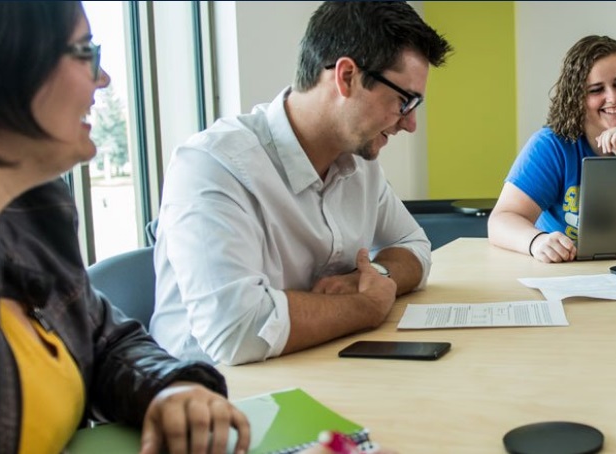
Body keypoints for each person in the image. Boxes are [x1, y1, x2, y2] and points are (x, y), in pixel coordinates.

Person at [0, 2, 250, 453]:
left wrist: (169, 389)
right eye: (83, 52)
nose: (104, 78)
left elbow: (102, 338)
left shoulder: (32, 208)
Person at [152, 1, 451, 366]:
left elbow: (413, 245)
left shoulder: (360, 162)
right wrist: (366, 305)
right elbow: (236, 331)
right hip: (208, 394)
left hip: (314, 364)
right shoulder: (213, 166)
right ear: (346, 76)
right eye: (405, 101)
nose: (410, 124)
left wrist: (370, 276)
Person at [488, 35, 616, 263]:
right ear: (577, 98)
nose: (612, 98)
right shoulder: (551, 145)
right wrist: (537, 241)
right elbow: (501, 220)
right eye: (596, 90)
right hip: (569, 269)